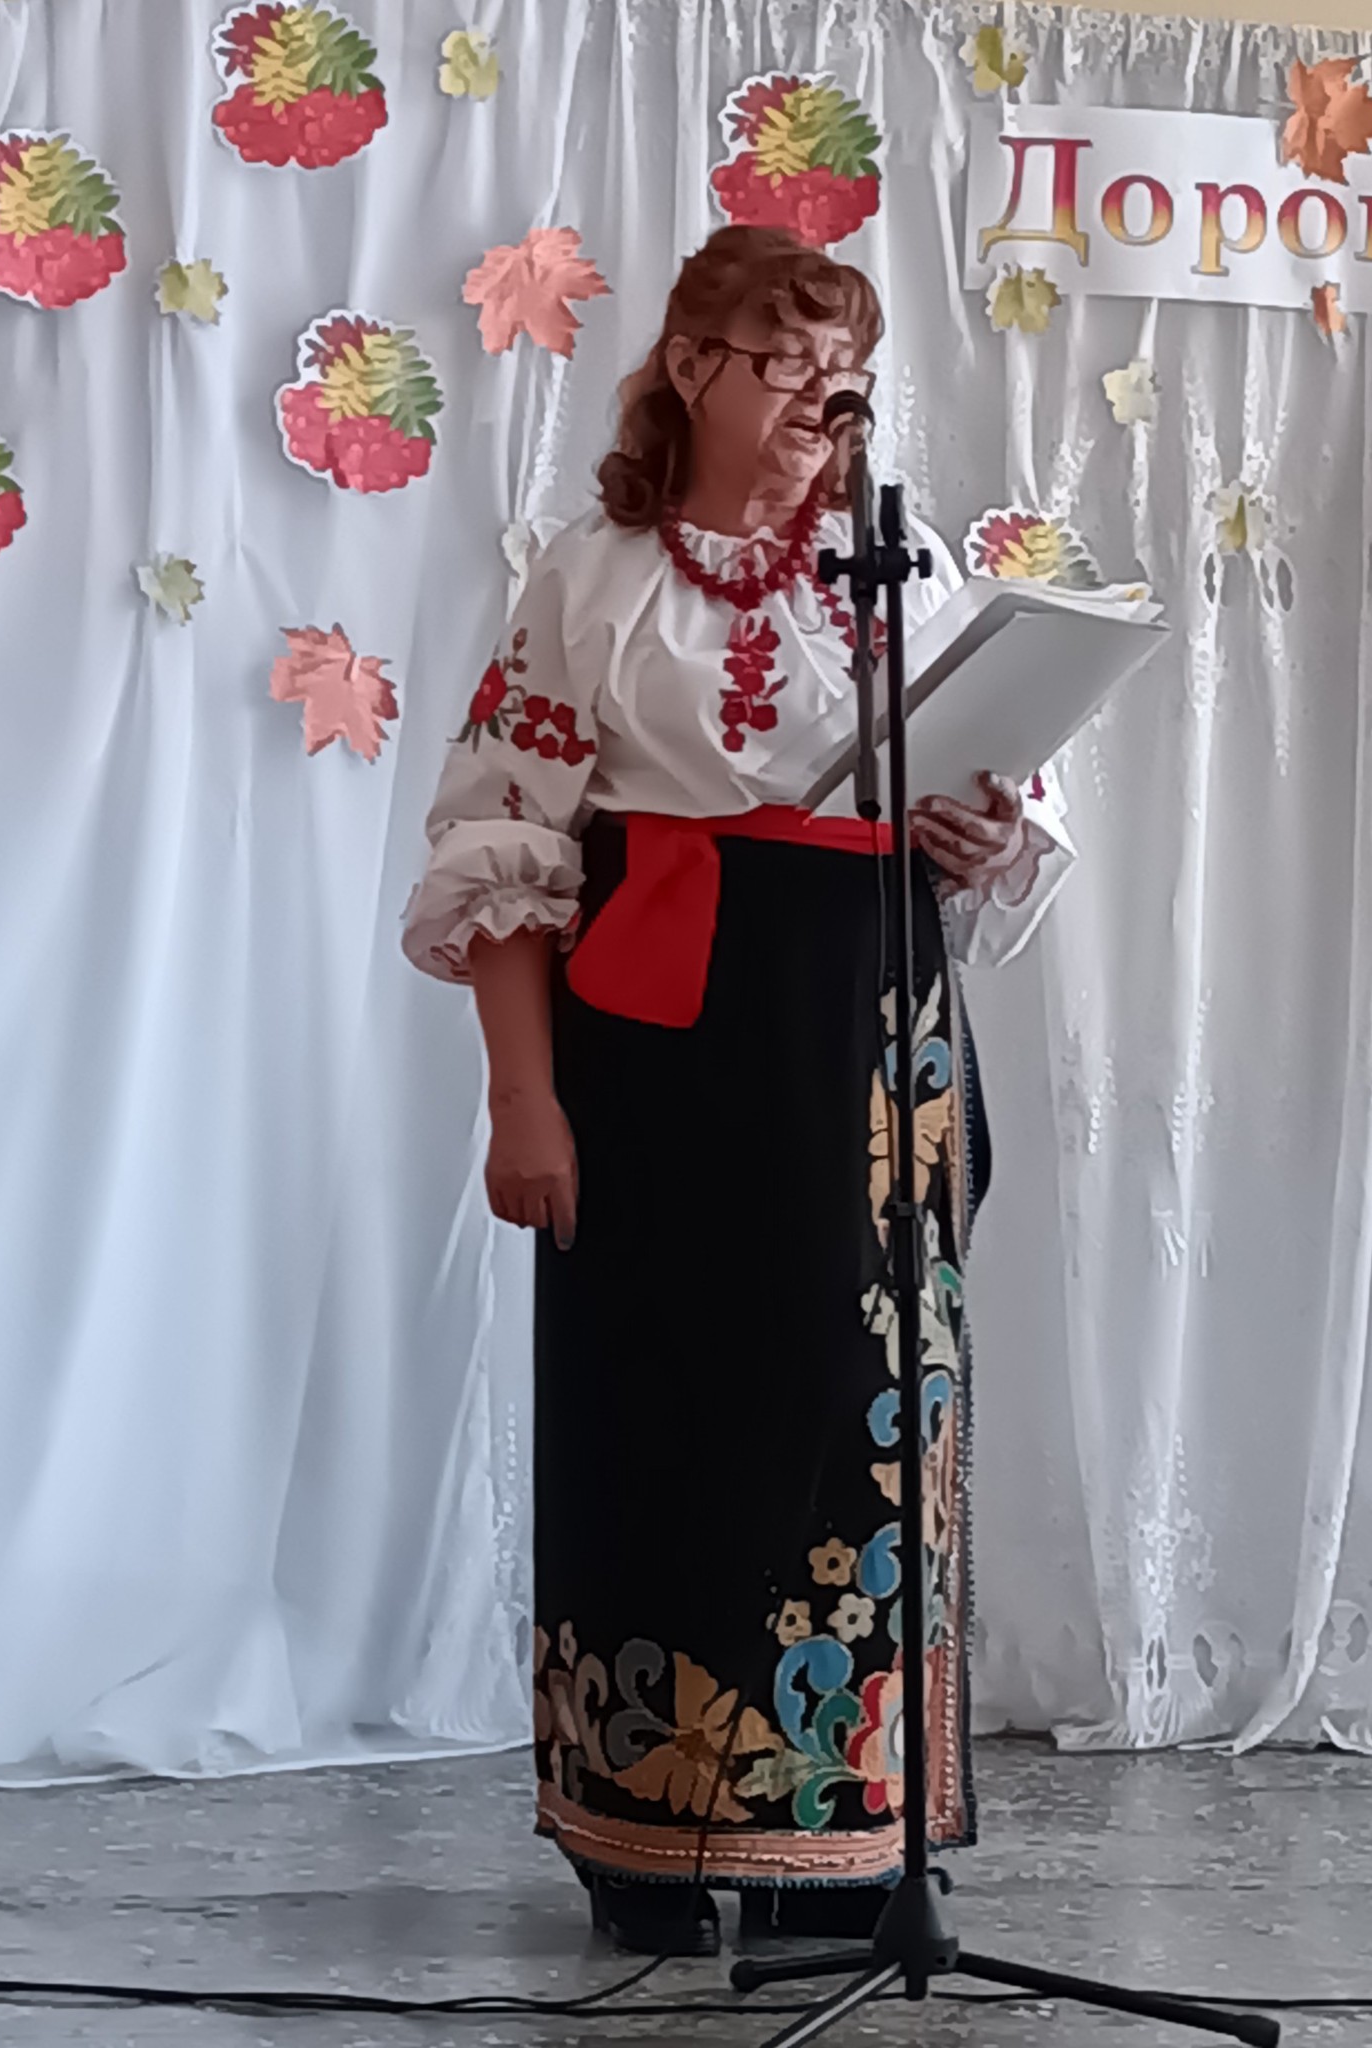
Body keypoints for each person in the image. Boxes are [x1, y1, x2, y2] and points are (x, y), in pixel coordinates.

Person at [401, 226, 1072, 1957]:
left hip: (871, 1039)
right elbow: (502, 842)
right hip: (665, 1038)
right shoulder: (593, 575)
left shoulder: (899, 563)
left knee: (859, 1415)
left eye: (843, 371)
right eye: (784, 364)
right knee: (659, 1408)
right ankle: (641, 1827)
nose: (819, 400)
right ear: (691, 365)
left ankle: (838, 1833)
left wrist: (982, 828)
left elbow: (1001, 782)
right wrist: (522, 1099)